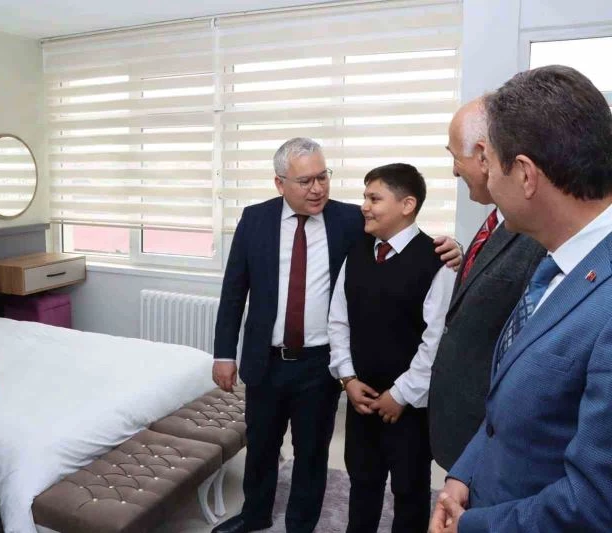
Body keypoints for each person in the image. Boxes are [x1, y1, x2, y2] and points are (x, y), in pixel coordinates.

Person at [211, 138, 461, 533]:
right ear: (280, 183)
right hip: (266, 358)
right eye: (305, 181)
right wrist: (224, 353)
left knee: (312, 451)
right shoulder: (255, 219)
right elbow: (233, 289)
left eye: (323, 177)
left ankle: (301, 524)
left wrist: (454, 247)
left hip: (319, 363)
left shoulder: (349, 219)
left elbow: (403, 236)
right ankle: (254, 514)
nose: (317, 189)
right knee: (261, 445)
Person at [430, 65, 612, 533]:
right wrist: (464, 474)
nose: (487, 181)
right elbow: (508, 407)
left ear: (526, 175)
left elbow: (594, 503)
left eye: (492, 164)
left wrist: (471, 525)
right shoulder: (556, 263)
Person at [329, 163, 456, 533]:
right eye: (364, 197)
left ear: (407, 205)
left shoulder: (438, 261)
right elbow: (338, 321)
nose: (364, 207)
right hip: (361, 399)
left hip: (410, 408)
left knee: (410, 491)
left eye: (374, 198)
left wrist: (400, 395)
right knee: (362, 483)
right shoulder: (356, 252)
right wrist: (348, 379)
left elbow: (435, 340)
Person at [427, 98, 545, 471]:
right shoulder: (497, 217)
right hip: (463, 423)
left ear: (482, 156)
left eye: (454, 157)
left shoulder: (537, 228)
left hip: (491, 436)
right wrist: (467, 263)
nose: (453, 170)